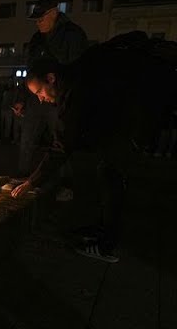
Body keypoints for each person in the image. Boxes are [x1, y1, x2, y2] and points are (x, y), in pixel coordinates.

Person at [10, 44, 177, 262]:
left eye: (40, 92)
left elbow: (61, 147)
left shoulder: (73, 92)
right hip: (122, 125)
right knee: (106, 172)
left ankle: (106, 246)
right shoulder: (75, 76)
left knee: (112, 178)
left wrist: (32, 182)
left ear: (51, 78)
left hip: (131, 126)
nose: (41, 99)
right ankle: (101, 229)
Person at [17, 0, 88, 201]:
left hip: (58, 96)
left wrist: (63, 95)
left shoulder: (72, 34)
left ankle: (65, 184)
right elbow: (30, 70)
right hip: (39, 93)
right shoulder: (37, 38)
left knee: (62, 139)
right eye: (36, 20)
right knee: (27, 138)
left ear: (54, 13)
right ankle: (24, 178)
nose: (38, 23)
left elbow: (73, 66)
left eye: (41, 18)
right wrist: (25, 96)